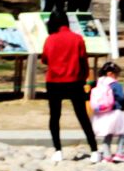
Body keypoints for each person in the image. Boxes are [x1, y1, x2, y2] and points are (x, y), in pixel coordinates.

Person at [38, 10, 97, 152]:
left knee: (55, 116)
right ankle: (94, 149)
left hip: (54, 82)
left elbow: (45, 59)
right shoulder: (77, 39)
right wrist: (84, 79)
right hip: (74, 81)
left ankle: (58, 150)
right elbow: (84, 61)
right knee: (82, 115)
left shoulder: (50, 39)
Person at [91, 60, 124, 160]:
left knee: (108, 133)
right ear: (110, 73)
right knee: (123, 132)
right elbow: (121, 97)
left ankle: (106, 154)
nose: (117, 77)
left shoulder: (97, 83)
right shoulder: (115, 85)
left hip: (101, 112)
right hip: (116, 111)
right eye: (116, 74)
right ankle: (120, 153)